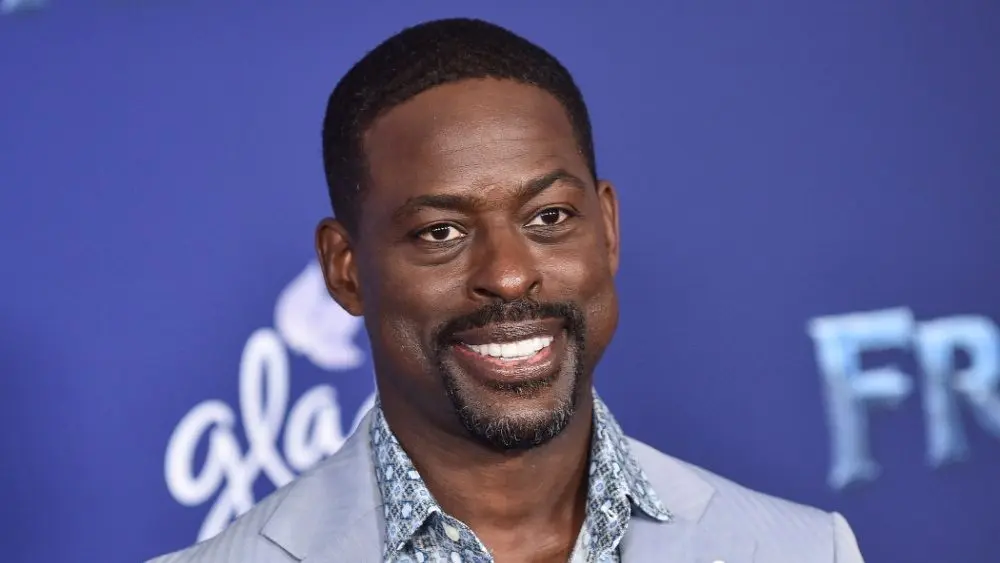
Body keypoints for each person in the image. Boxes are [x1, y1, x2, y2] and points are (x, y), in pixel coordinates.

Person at [150, 17, 865, 563]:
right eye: (441, 232)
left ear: (607, 228)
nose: (510, 272)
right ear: (346, 269)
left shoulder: (804, 550)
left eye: (549, 216)